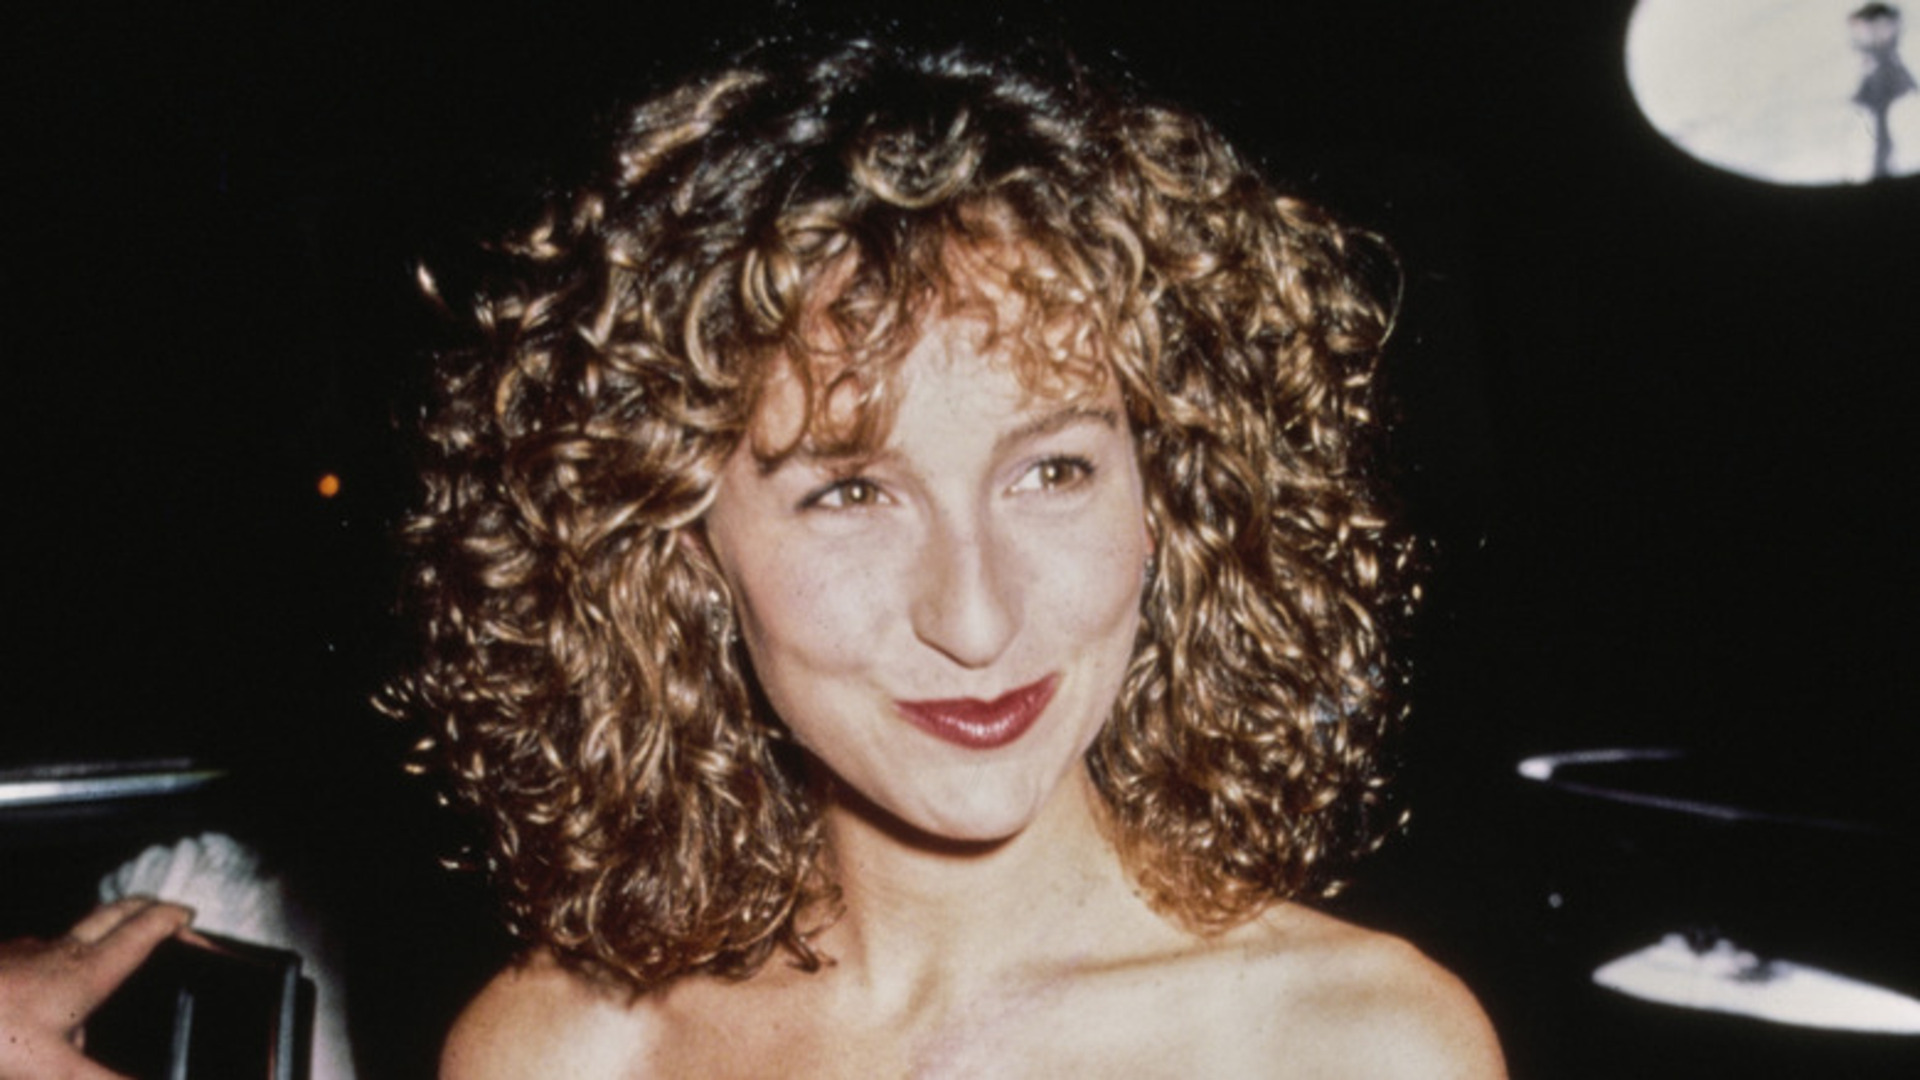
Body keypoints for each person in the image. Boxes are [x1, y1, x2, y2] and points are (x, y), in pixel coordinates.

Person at [390, 34, 1505, 1077]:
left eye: (1053, 472)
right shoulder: (563, 1055)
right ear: (677, 548)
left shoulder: (1358, 1049)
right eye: (850, 493)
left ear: (1165, 495)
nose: (976, 619)